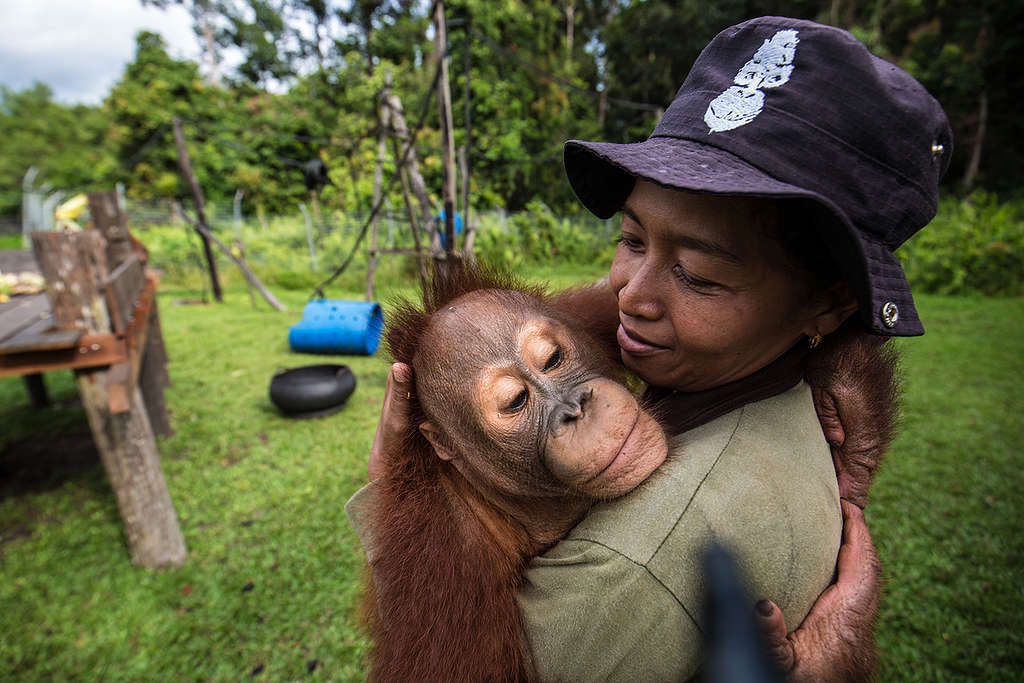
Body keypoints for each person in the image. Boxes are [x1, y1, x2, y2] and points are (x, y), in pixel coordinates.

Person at [350, 16, 951, 680]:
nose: (629, 296)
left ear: (832, 301)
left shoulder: (636, 567)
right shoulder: (703, 353)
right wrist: (402, 489)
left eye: (697, 274)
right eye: (632, 238)